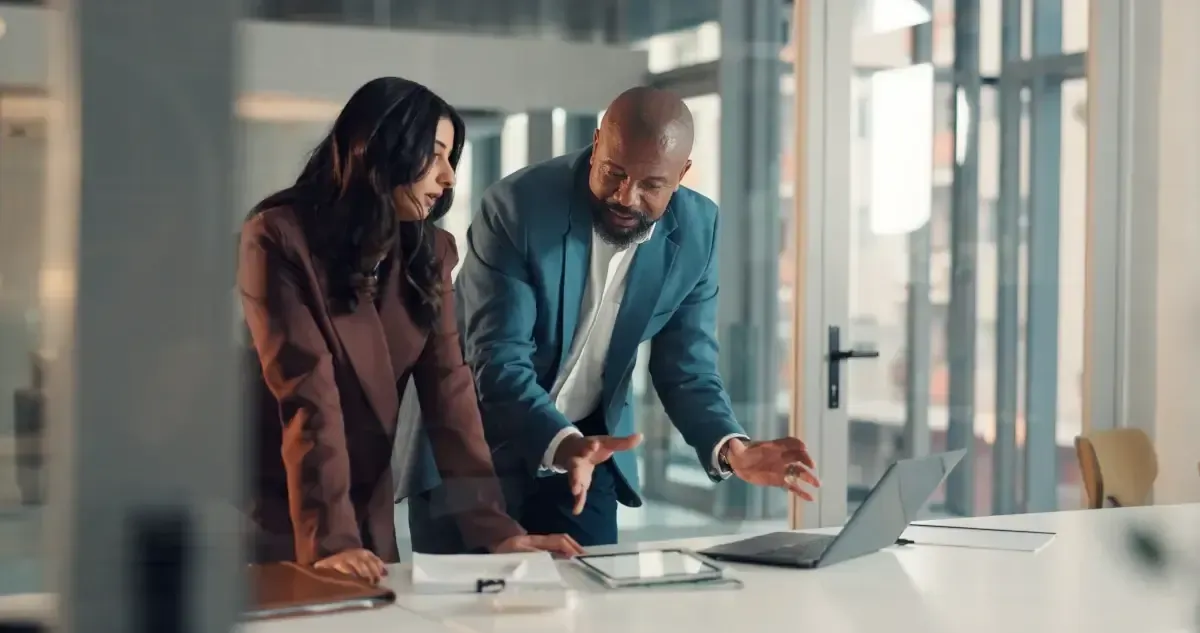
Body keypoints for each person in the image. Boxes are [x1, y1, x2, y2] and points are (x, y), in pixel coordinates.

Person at [238, 77, 583, 582]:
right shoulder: (276, 237)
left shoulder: (430, 251)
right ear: (382, 146)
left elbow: (451, 395)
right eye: (436, 154)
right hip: (290, 502)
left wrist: (498, 530)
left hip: (367, 503)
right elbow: (308, 394)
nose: (448, 178)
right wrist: (332, 538)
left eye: (452, 160)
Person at [450, 86, 821, 546]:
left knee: (593, 604)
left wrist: (733, 450)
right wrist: (563, 445)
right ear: (596, 144)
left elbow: (687, 369)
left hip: (592, 446)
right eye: (614, 173)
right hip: (475, 444)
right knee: (469, 610)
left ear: (681, 175)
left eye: (651, 185)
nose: (626, 197)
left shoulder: (698, 232)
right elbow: (499, 361)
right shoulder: (517, 208)